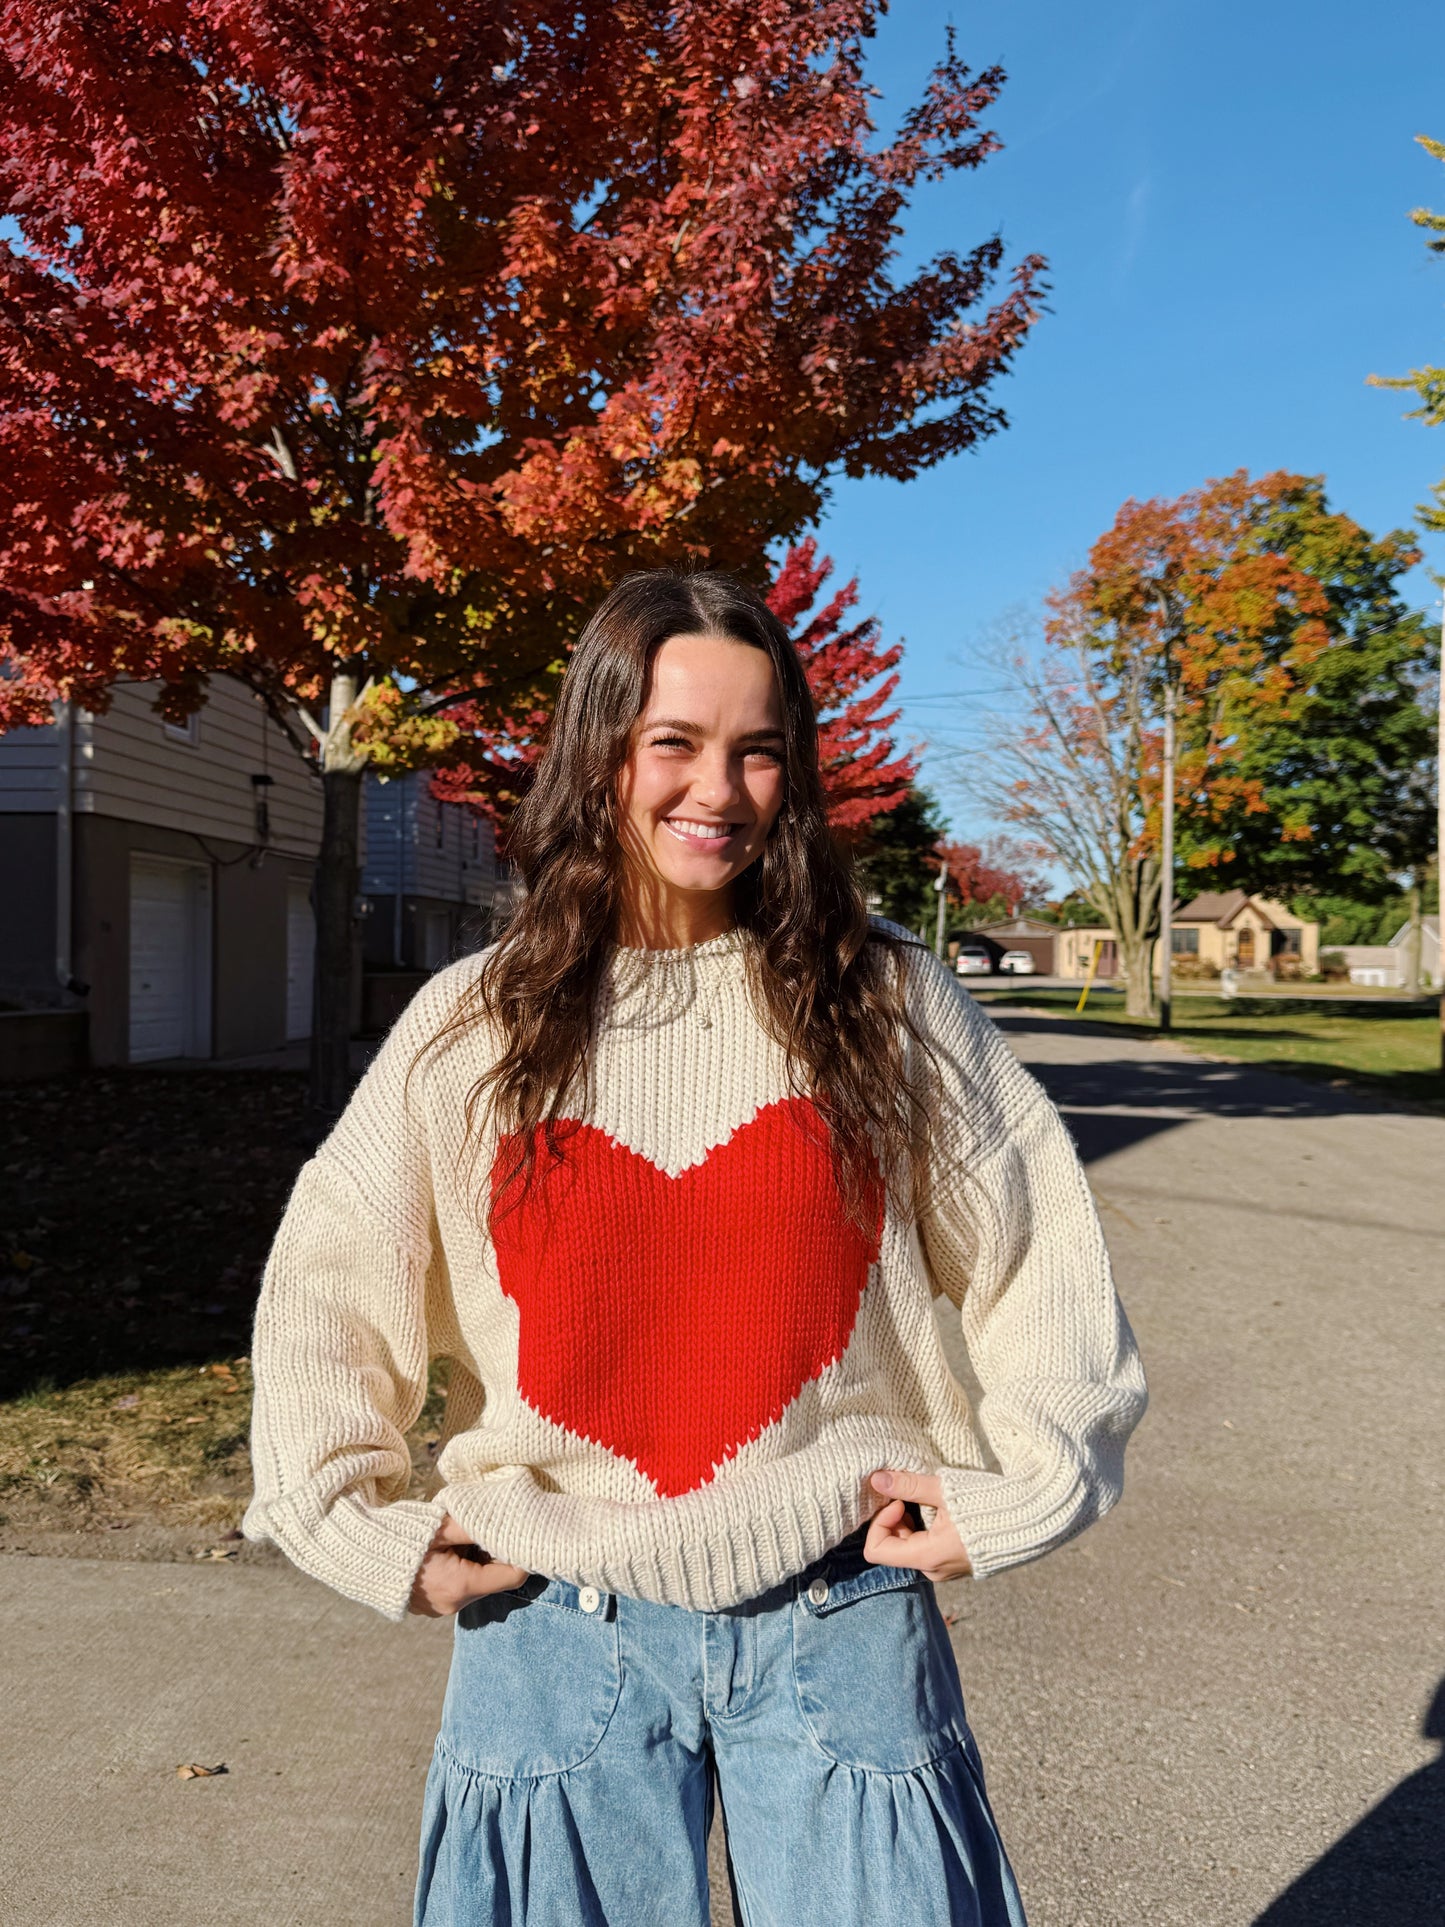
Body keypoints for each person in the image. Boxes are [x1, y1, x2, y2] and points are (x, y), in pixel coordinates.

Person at [243, 569, 1147, 1926]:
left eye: (757, 751)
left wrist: (1026, 1485)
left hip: (839, 1616)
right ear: (599, 749)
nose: (715, 791)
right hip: (548, 1624)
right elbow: (331, 1286)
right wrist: (349, 1520)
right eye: (672, 743)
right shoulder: (473, 1025)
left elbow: (1035, 1253)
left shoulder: (882, 1000)